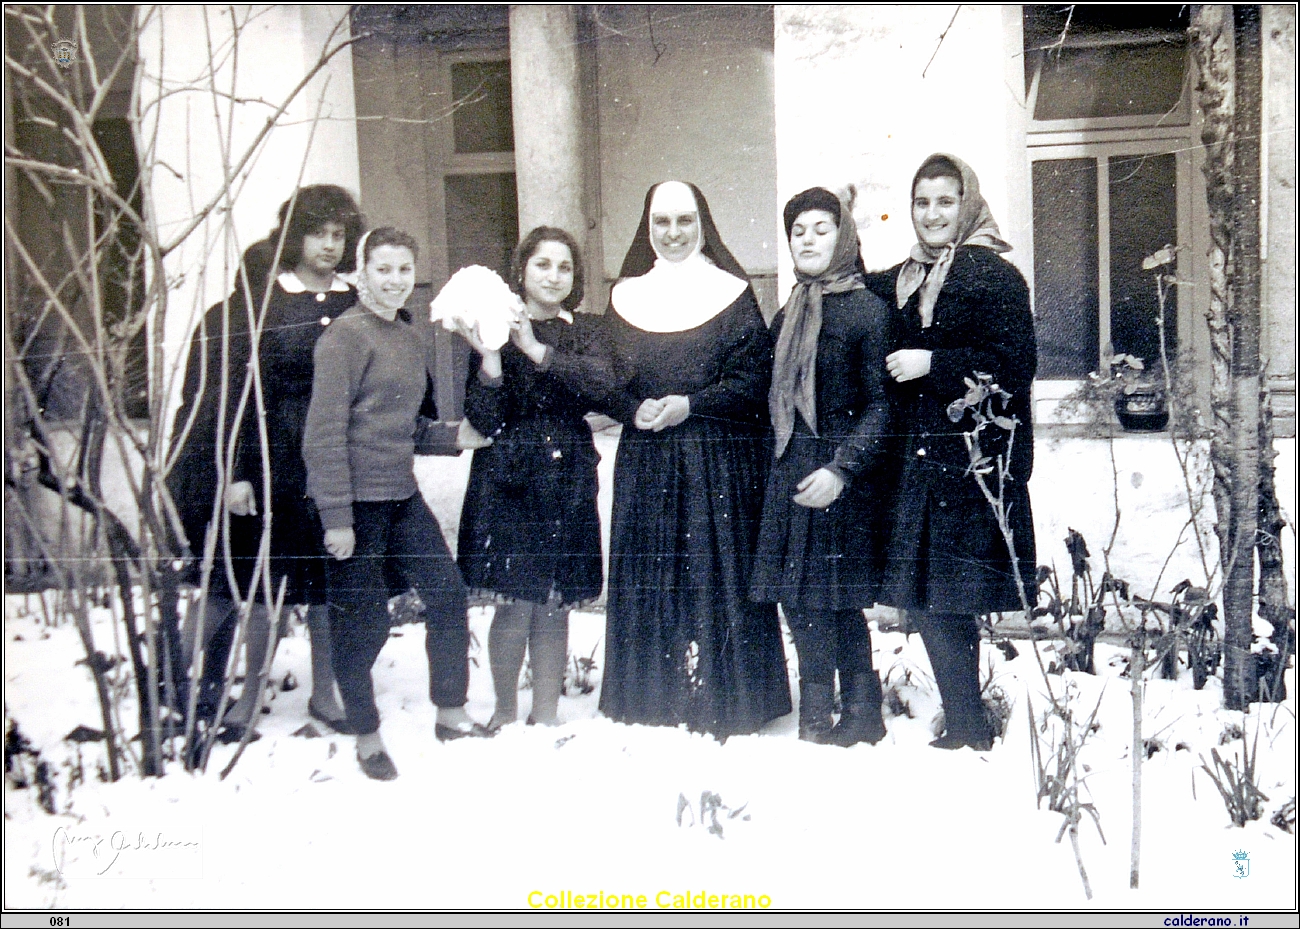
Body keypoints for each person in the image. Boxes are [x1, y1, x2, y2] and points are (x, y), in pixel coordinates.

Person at [598, 181, 791, 739]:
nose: (674, 234)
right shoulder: (625, 295)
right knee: (653, 570)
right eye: (662, 223)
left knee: (716, 575)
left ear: (702, 225)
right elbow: (607, 375)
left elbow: (756, 378)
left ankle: (730, 700)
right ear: (647, 228)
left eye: (685, 221)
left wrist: (693, 405)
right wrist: (631, 409)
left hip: (714, 460)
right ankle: (651, 700)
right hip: (647, 456)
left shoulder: (731, 291)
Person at [169, 185, 362, 739]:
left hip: (332, 461)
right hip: (269, 458)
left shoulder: (355, 301)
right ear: (293, 236)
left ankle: (326, 697)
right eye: (316, 233)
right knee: (259, 584)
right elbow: (236, 396)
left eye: (337, 234)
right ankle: (247, 698)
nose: (328, 245)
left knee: (329, 581)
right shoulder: (263, 303)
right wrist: (234, 472)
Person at [864, 153, 1037, 751]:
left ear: (968, 205)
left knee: (950, 597)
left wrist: (934, 364)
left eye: (945, 201)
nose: (932, 214)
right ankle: (966, 721)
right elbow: (850, 289)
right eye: (922, 202)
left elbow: (1016, 366)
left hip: (971, 464)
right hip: (917, 464)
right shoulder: (902, 278)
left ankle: (969, 724)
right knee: (932, 598)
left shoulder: (994, 276)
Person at [304, 227, 486, 781]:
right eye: (382, 269)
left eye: (404, 270)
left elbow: (405, 428)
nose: (394, 281)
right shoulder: (344, 337)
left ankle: (450, 713)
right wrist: (336, 518)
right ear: (360, 274)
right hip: (355, 505)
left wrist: (455, 436)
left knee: (449, 597)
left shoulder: (408, 337)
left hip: (401, 498)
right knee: (363, 624)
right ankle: (365, 733)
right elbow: (323, 434)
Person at [750, 188, 892, 746]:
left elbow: (884, 404)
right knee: (799, 597)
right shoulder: (790, 310)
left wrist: (842, 470)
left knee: (835, 599)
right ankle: (820, 716)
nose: (807, 240)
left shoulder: (868, 311)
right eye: (797, 231)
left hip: (839, 476)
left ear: (844, 237)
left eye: (820, 229)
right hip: (790, 470)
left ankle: (859, 713)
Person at [455, 227, 605, 730]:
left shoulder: (584, 331)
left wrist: (536, 347)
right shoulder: (492, 325)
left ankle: (546, 713)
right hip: (511, 477)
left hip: (567, 475)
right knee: (518, 601)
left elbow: (598, 387)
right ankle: (503, 709)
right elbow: (482, 419)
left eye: (564, 267)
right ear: (521, 270)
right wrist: (494, 358)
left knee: (556, 603)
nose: (553, 276)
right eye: (543, 264)